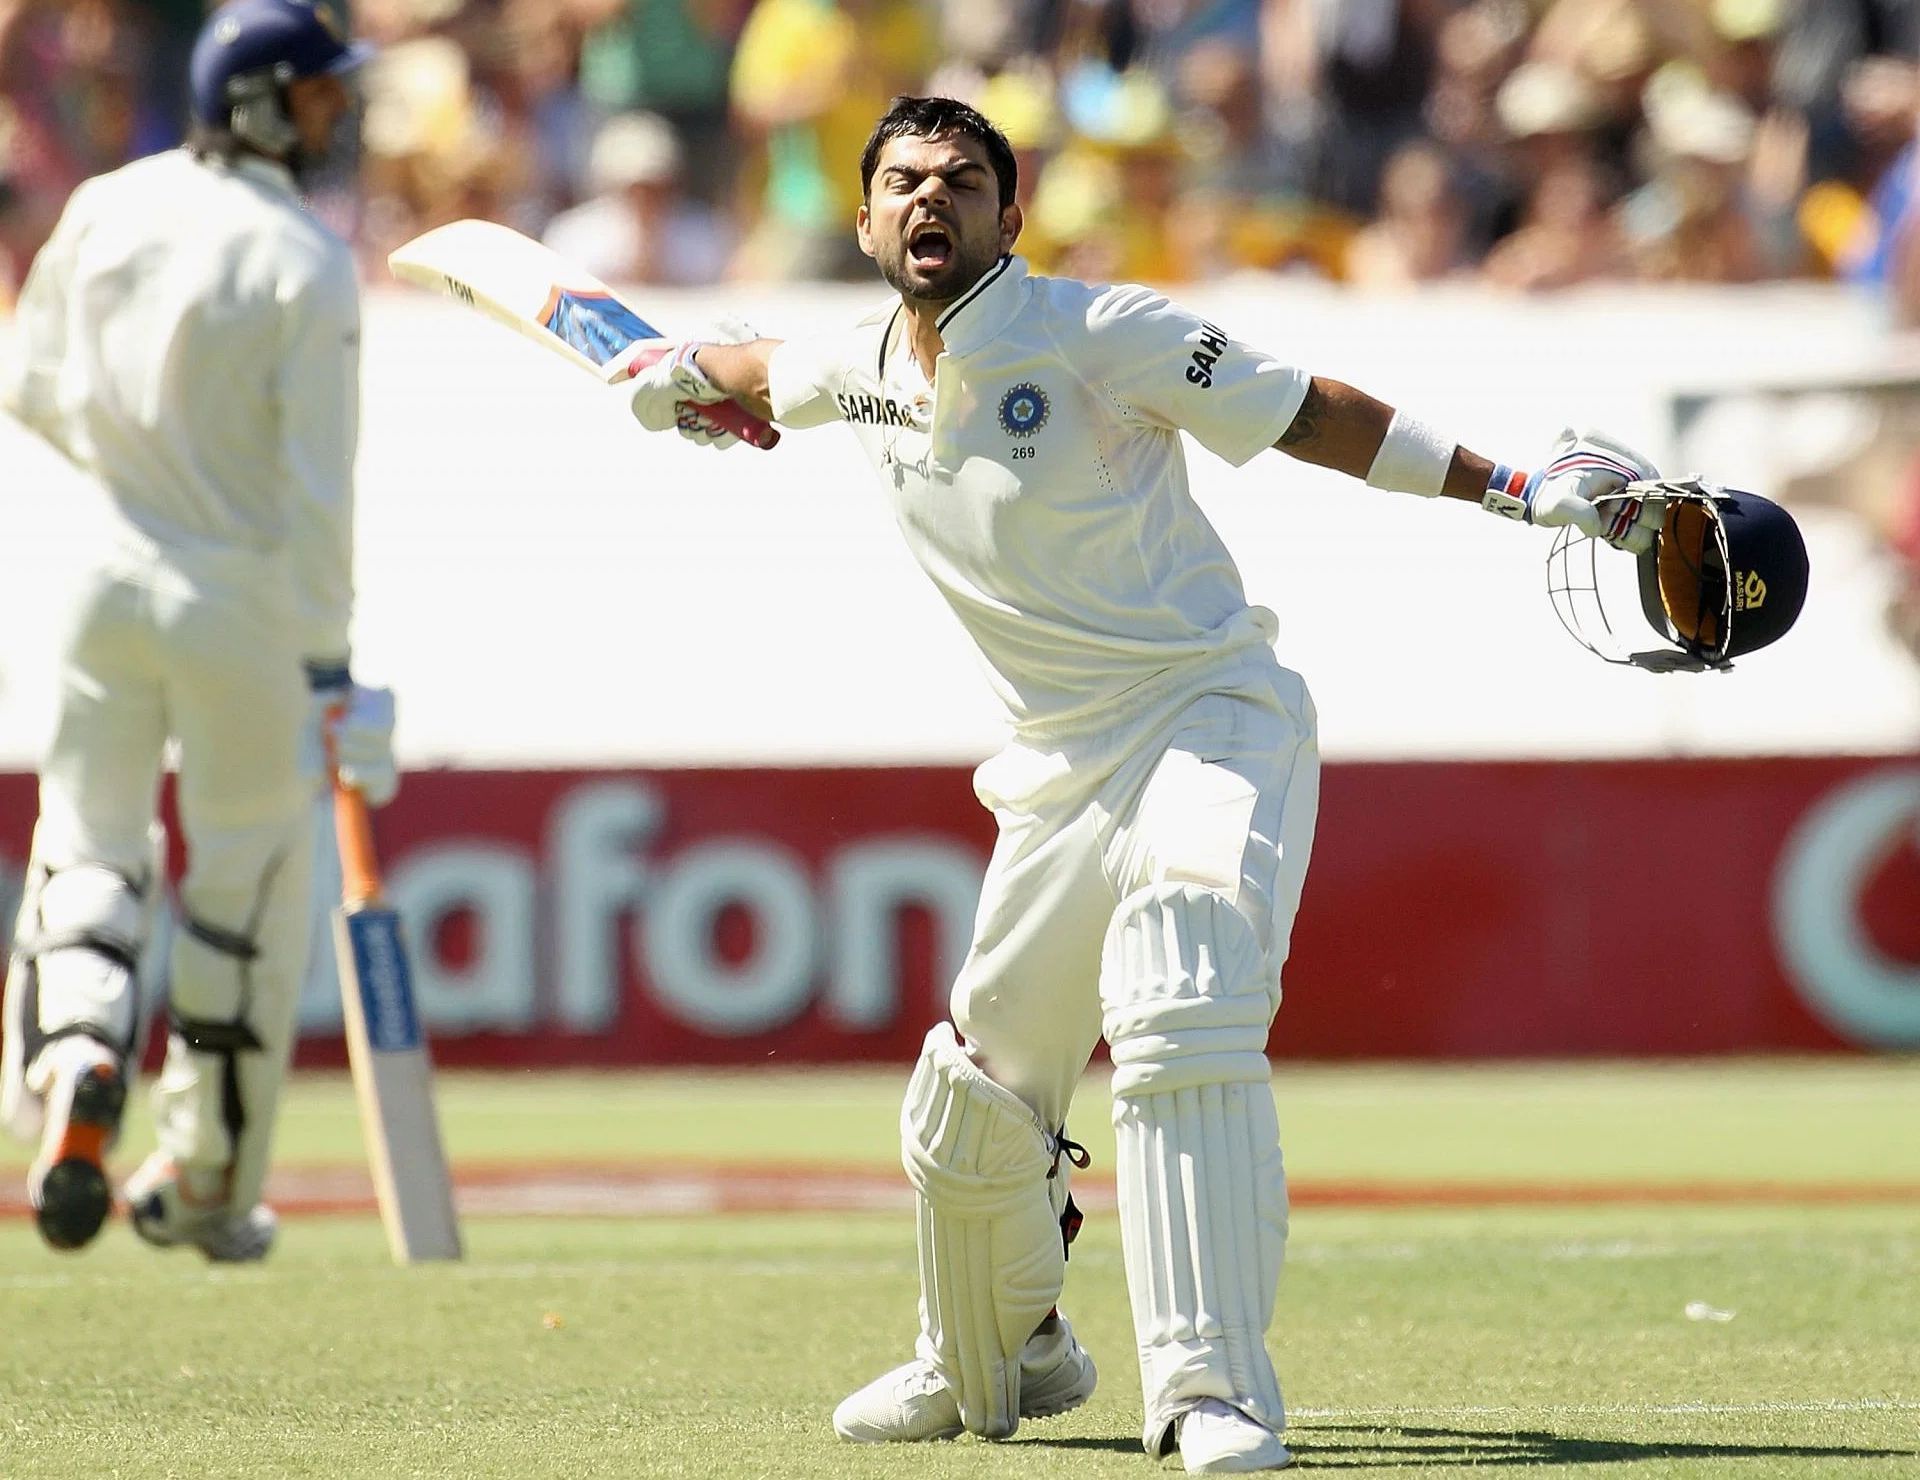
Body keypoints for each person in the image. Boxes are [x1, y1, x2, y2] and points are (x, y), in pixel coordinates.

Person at [623, 95, 1661, 1473]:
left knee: (1179, 986)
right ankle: (1001, 1351)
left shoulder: (1099, 332)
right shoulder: (853, 357)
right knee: (980, 1095)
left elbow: (1312, 414)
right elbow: (753, 372)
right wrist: (681, 382)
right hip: (1053, 771)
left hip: (1206, 715)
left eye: (961, 180)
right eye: (903, 183)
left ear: (1012, 207)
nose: (931, 201)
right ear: (864, 215)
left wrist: (1521, 487)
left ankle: (1208, 1388)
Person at [0, 0, 397, 1262]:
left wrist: (142, 477)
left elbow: (28, 387)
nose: (339, 115)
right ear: (262, 103)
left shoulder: (107, 205)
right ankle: (205, 1177)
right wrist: (333, 660)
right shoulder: (304, 257)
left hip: (103, 578)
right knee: (242, 891)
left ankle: (73, 1063)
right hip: (243, 607)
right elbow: (319, 492)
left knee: (89, 847)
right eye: (322, 95)